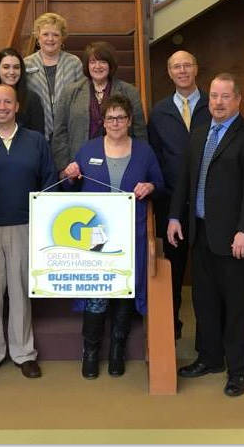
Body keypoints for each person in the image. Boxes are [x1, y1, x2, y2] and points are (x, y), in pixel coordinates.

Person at [167, 73, 244, 397]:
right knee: (204, 301)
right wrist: (174, 216)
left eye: (225, 96)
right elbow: (185, 181)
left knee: (236, 306)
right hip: (200, 235)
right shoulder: (199, 135)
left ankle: (238, 370)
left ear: (238, 99)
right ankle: (210, 357)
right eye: (214, 96)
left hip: (234, 240)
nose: (218, 102)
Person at [63, 94, 163, 379]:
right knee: (97, 293)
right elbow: (71, 191)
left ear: (130, 121)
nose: (116, 123)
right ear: (102, 122)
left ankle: (118, 349)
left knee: (123, 294)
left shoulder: (144, 151)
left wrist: (150, 186)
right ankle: (91, 350)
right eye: (110, 118)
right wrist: (70, 175)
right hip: (96, 236)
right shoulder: (88, 150)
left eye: (121, 117)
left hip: (132, 232)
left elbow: (161, 184)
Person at [0, 84, 57, 382]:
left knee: (19, 292)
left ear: (17, 106)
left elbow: (49, 181)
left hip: (24, 226)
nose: (2, 106)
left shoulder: (36, 141)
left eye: (8, 101)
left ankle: (23, 353)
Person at [148, 50, 211, 339]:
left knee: (206, 274)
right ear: (169, 73)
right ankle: (170, 329)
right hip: (171, 206)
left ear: (196, 68)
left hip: (208, 205)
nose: (182, 70)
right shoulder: (159, 111)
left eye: (187, 64)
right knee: (171, 271)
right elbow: (155, 158)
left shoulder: (215, 104)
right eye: (176, 66)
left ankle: (209, 335)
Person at [52, 41, 147, 176]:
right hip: (78, 168)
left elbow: (140, 133)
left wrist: (139, 166)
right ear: (87, 65)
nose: (97, 66)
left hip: (120, 165)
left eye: (103, 62)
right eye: (92, 62)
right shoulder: (70, 92)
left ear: (110, 64)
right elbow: (60, 132)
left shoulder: (129, 92)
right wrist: (65, 167)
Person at [24, 12, 84, 142]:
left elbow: (82, 98)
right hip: (35, 131)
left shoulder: (74, 63)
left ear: (62, 38)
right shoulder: (26, 64)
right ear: (38, 37)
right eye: (45, 34)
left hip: (68, 132)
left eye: (55, 35)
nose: (50, 39)